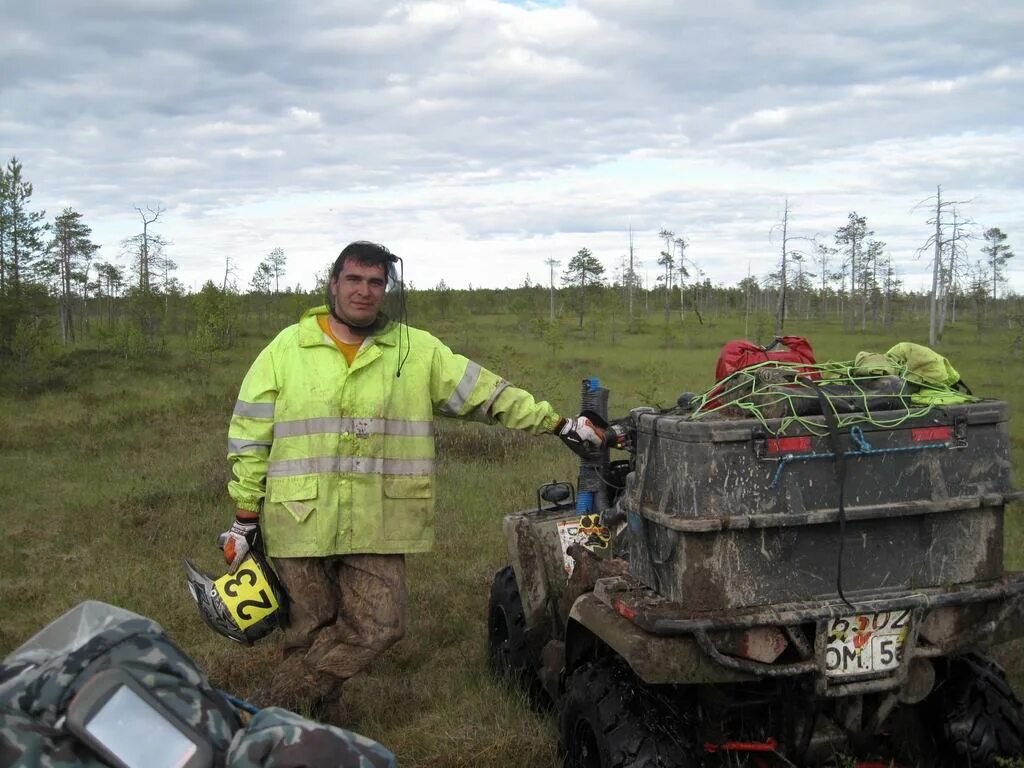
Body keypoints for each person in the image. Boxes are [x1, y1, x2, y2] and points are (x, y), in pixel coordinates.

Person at [223, 241, 603, 716]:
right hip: (300, 516)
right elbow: (249, 434)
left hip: (378, 516)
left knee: (379, 624)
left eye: (376, 282)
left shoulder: (415, 350)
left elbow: (486, 393)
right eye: (355, 280)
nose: (365, 291)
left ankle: (261, 712)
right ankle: (309, 731)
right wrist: (244, 517)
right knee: (309, 633)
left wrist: (556, 423)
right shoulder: (286, 349)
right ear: (333, 284)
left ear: (386, 289)